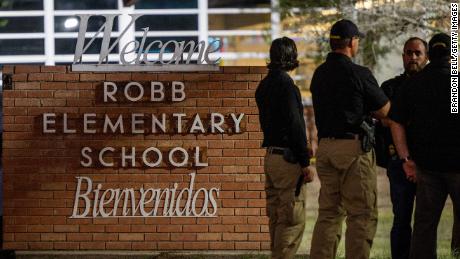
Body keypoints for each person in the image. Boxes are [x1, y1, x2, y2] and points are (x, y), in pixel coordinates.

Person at [309, 19, 390, 259]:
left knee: (329, 214)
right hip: (352, 149)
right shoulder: (359, 73)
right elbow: (385, 110)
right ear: (352, 43)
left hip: (325, 148)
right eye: (357, 40)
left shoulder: (319, 74)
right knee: (361, 214)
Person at [389, 33, 460, 259]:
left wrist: (406, 159)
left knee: (424, 228)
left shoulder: (413, 85)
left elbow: (395, 122)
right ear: (452, 54)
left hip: (427, 168)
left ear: (428, 55)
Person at [255, 36, 314, 259]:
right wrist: (305, 163)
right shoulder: (288, 87)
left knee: (277, 216)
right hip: (288, 160)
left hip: (270, 157)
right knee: (291, 219)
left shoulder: (263, 86)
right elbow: (295, 126)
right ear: (292, 57)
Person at [376, 37, 428, 259]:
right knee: (402, 218)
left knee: (427, 221)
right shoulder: (390, 87)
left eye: (418, 53)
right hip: (399, 163)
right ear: (403, 56)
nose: (413, 57)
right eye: (409, 53)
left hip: (430, 163)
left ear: (426, 57)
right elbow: (380, 116)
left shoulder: (436, 85)